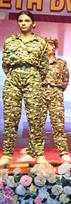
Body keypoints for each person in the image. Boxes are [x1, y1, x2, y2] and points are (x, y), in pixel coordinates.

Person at [1, 11, 49, 167]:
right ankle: (7, 155)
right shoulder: (10, 41)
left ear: (33, 23)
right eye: (20, 20)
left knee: (35, 118)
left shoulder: (40, 42)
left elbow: (44, 67)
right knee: (10, 118)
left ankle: (39, 154)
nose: (23, 23)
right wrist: (15, 74)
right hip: (13, 79)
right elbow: (5, 64)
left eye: (27, 20)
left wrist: (32, 76)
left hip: (33, 78)